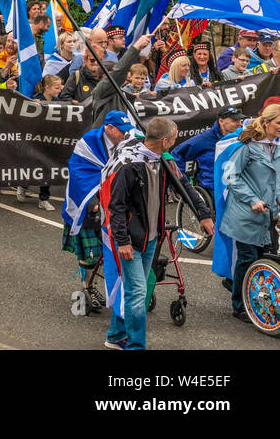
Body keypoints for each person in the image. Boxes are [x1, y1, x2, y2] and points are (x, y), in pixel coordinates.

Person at [101, 116, 213, 350]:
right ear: (164, 141)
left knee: (133, 290)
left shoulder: (165, 161)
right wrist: (122, 241)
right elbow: (116, 206)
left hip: (152, 236)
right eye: (173, 139)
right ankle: (135, 346)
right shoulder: (129, 165)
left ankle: (115, 335)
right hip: (131, 239)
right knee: (137, 292)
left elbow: (185, 187)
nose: (175, 142)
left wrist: (203, 214)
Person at [219, 104, 280, 319]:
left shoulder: (278, 147)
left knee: (267, 260)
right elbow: (229, 176)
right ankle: (239, 305)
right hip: (245, 213)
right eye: (279, 123)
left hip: (268, 216)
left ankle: (254, 299)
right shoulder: (247, 147)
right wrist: (253, 200)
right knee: (249, 259)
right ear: (266, 123)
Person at [61, 111, 137, 276]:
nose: (125, 135)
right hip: (90, 199)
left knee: (115, 252)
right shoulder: (89, 141)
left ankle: (115, 290)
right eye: (122, 131)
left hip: (115, 202)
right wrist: (93, 201)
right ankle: (88, 287)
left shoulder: (128, 141)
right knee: (90, 256)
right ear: (109, 128)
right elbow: (78, 172)